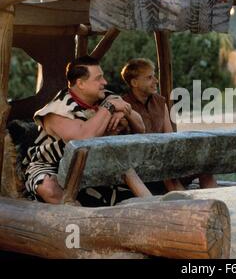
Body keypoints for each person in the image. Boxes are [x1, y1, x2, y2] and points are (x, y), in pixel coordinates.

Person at [22, 56, 145, 204]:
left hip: (97, 163)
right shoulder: (55, 111)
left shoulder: (106, 96)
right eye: (98, 78)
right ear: (80, 83)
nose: (104, 82)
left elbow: (140, 127)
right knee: (48, 188)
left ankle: (152, 209)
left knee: (128, 173)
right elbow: (83, 139)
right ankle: (84, 220)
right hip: (52, 164)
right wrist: (109, 108)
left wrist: (125, 112)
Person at [121, 58, 217, 191]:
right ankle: (188, 208)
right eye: (149, 77)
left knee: (205, 168)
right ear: (134, 82)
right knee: (168, 175)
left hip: (165, 160)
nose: (156, 81)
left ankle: (214, 204)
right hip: (141, 169)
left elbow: (170, 137)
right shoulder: (123, 105)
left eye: (154, 76)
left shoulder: (160, 102)